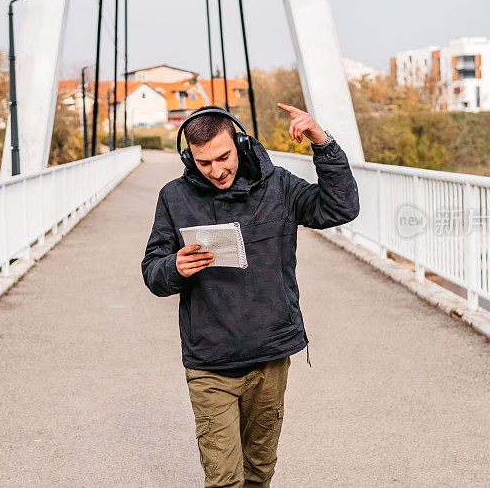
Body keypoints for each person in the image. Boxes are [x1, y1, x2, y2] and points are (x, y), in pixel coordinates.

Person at [141, 104, 359, 487]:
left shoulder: (279, 186)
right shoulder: (174, 197)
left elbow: (340, 207)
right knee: (225, 479)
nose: (217, 170)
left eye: (223, 157)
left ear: (240, 143)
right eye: (204, 162)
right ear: (188, 156)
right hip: (210, 360)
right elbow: (153, 272)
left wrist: (322, 144)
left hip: (270, 352)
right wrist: (173, 267)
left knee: (258, 471)